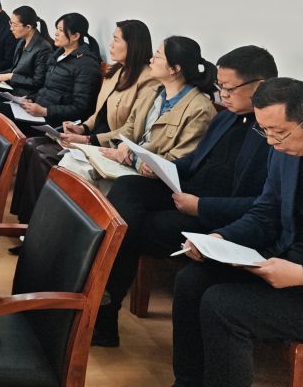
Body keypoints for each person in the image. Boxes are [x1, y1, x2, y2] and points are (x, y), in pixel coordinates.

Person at [95, 45, 277, 347]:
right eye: (220, 87)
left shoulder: (272, 133)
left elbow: (262, 206)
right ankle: (99, 303)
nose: (222, 95)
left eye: (229, 89)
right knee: (127, 189)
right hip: (187, 193)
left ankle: (102, 310)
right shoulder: (227, 118)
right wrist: (160, 167)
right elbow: (193, 162)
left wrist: (201, 207)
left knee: (131, 229)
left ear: (259, 85)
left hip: (219, 218)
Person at [171, 78, 303, 387]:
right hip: (285, 263)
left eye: (279, 132)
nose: (271, 142)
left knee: (223, 306)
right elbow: (265, 214)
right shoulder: (284, 153)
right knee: (191, 279)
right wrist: (219, 239)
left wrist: (302, 275)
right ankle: (187, 382)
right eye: (264, 131)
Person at [10, 19, 157, 223]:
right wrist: (82, 127)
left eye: (116, 40)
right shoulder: (117, 70)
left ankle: (37, 224)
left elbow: (131, 129)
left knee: (44, 154)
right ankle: (24, 220)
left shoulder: (147, 79)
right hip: (94, 135)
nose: (111, 44)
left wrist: (88, 139)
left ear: (133, 45)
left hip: (113, 144)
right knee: (31, 145)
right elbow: (99, 112)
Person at [62, 35, 217, 182]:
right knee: (70, 161)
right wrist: (115, 144)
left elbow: (177, 162)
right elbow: (129, 128)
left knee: (77, 171)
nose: (151, 60)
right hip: (129, 161)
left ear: (174, 68)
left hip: (151, 176)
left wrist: (131, 156)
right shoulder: (154, 92)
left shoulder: (200, 110)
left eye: (157, 56)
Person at [0, 12, 102, 132]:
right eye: (57, 29)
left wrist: (45, 111)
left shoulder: (87, 65)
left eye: (61, 30)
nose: (56, 33)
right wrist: (30, 99)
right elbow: (46, 88)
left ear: (75, 36)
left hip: (55, 120)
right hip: (39, 109)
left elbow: (80, 108)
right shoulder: (58, 55)